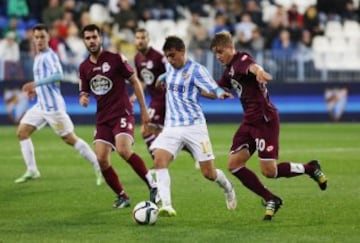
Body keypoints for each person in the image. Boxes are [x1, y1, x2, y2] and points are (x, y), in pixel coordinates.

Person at [210, 31, 328, 221]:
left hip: (264, 119)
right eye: (215, 53)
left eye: (220, 52)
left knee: (269, 172)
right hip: (249, 121)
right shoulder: (228, 71)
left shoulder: (241, 59)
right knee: (234, 165)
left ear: (231, 48)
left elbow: (253, 67)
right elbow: (216, 88)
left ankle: (310, 168)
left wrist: (260, 72)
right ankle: (270, 198)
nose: (218, 57)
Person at [150, 36, 237, 216]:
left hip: (194, 127)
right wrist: (163, 76)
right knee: (159, 159)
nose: (170, 60)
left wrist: (220, 93)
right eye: (167, 57)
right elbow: (171, 74)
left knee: (209, 173)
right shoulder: (170, 67)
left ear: (182, 51)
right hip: (172, 126)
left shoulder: (197, 70)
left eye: (173, 56)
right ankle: (166, 205)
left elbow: (213, 86)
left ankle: (228, 187)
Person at [78, 24, 158, 208]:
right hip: (103, 118)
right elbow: (84, 91)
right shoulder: (83, 67)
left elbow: (135, 82)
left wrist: (144, 112)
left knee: (123, 150)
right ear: (84, 41)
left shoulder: (115, 59)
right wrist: (83, 98)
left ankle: (153, 186)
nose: (91, 41)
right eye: (88, 38)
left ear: (101, 38)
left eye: (94, 37)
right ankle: (122, 196)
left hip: (122, 112)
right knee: (101, 159)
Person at [16, 24, 103, 186]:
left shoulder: (50, 56)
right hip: (41, 105)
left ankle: (98, 165)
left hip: (53, 108)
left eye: (42, 37)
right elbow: (46, 82)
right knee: (22, 132)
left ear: (48, 38)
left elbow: (58, 75)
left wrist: (36, 84)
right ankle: (32, 170)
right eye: (37, 37)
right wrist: (37, 90)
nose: (40, 40)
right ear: (33, 39)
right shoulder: (38, 56)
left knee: (70, 139)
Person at [133, 28, 199, 168]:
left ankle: (158, 164)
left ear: (148, 39)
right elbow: (143, 80)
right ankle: (194, 150)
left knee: (146, 129)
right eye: (137, 37)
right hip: (154, 99)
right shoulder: (137, 58)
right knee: (163, 132)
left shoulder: (158, 57)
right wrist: (134, 95)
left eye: (143, 37)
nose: (140, 40)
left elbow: (174, 70)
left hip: (164, 98)